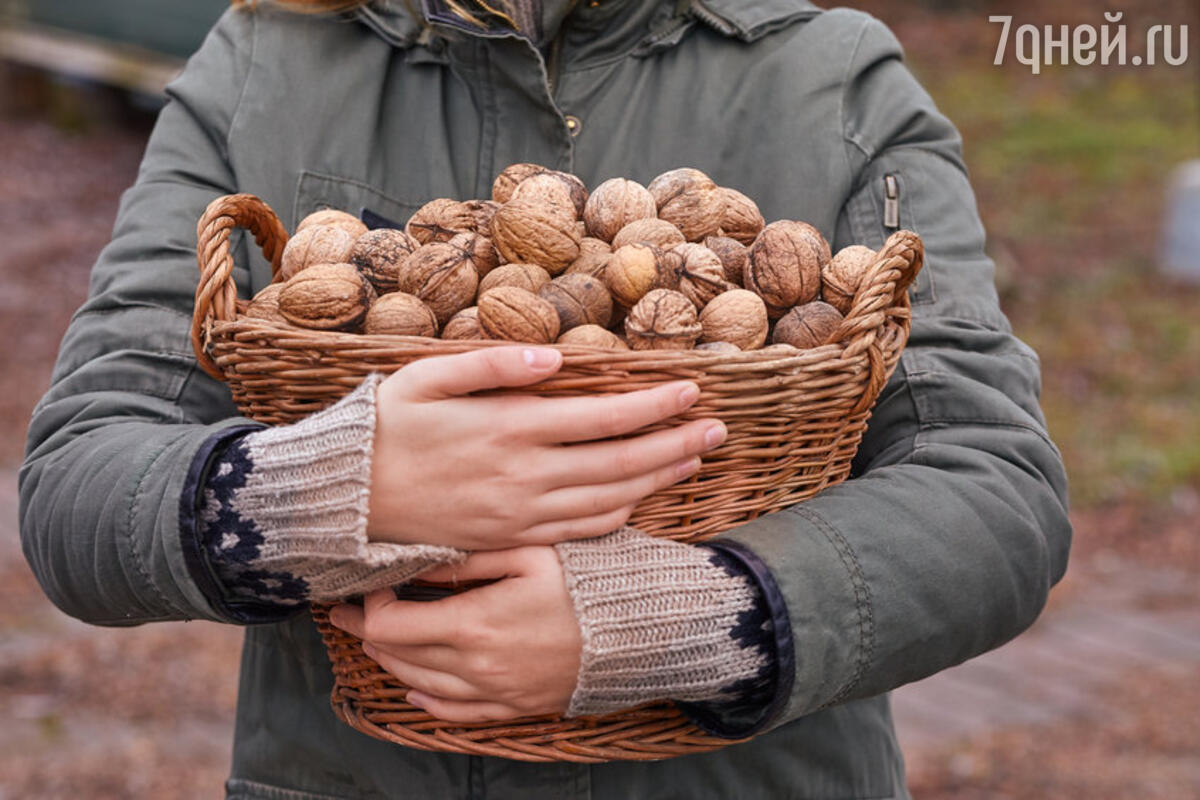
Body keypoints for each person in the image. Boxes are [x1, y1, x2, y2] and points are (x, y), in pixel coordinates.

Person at [18, 0, 1072, 798]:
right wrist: (334, 486)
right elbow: (77, 482)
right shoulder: (269, 61)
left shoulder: (826, 77)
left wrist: (690, 619)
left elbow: (994, 491)